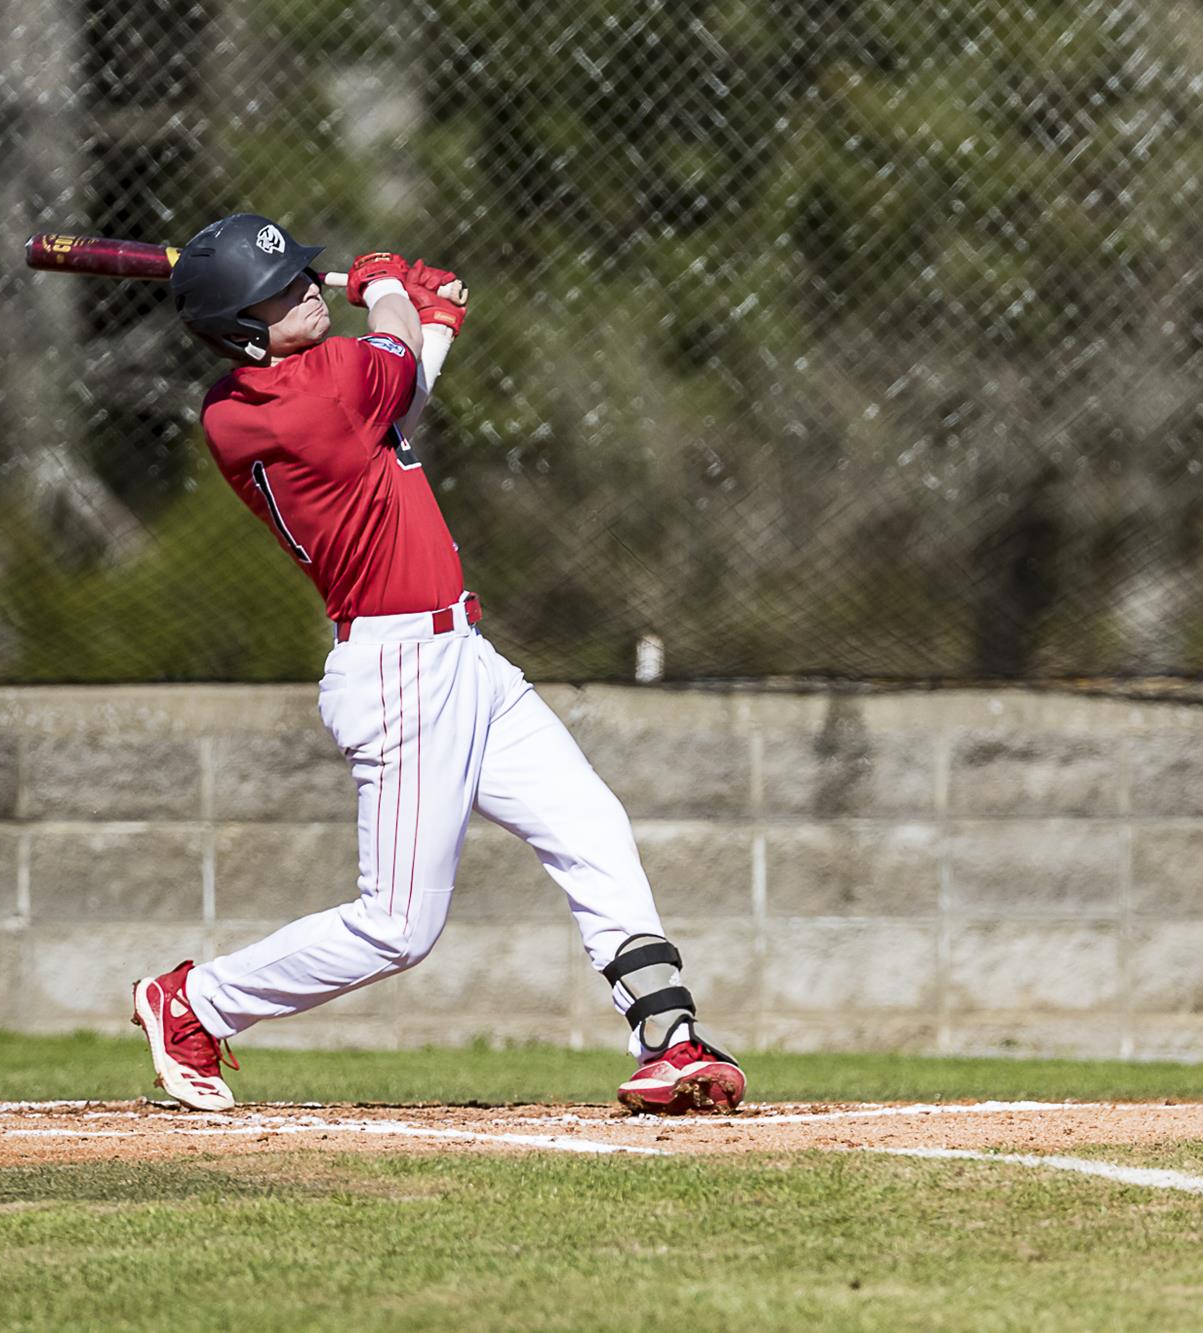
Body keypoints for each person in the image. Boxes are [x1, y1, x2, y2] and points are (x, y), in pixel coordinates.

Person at [129, 213, 745, 1116]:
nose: (307, 287)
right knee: (397, 928)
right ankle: (195, 1002)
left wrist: (431, 321)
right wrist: (386, 287)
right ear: (242, 330)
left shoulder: (298, 391)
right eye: (283, 288)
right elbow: (391, 369)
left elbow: (398, 394)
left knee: (591, 824)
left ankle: (667, 1035)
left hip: (463, 656)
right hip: (401, 671)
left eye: (307, 273)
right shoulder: (286, 399)